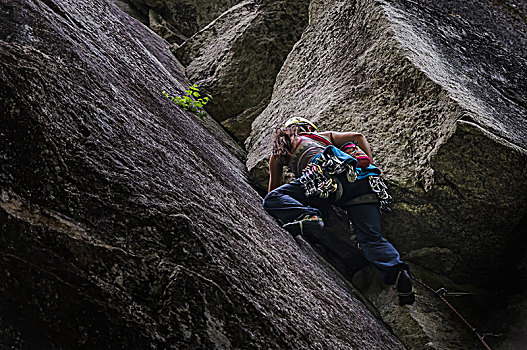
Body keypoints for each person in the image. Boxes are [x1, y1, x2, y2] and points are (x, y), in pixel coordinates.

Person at [263, 117, 415, 306]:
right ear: (307, 127)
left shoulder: (280, 151)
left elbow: (274, 193)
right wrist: (373, 168)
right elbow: (358, 136)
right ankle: (397, 271)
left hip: (325, 180)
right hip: (363, 184)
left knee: (272, 200)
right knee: (371, 238)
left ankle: (309, 215)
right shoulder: (321, 137)